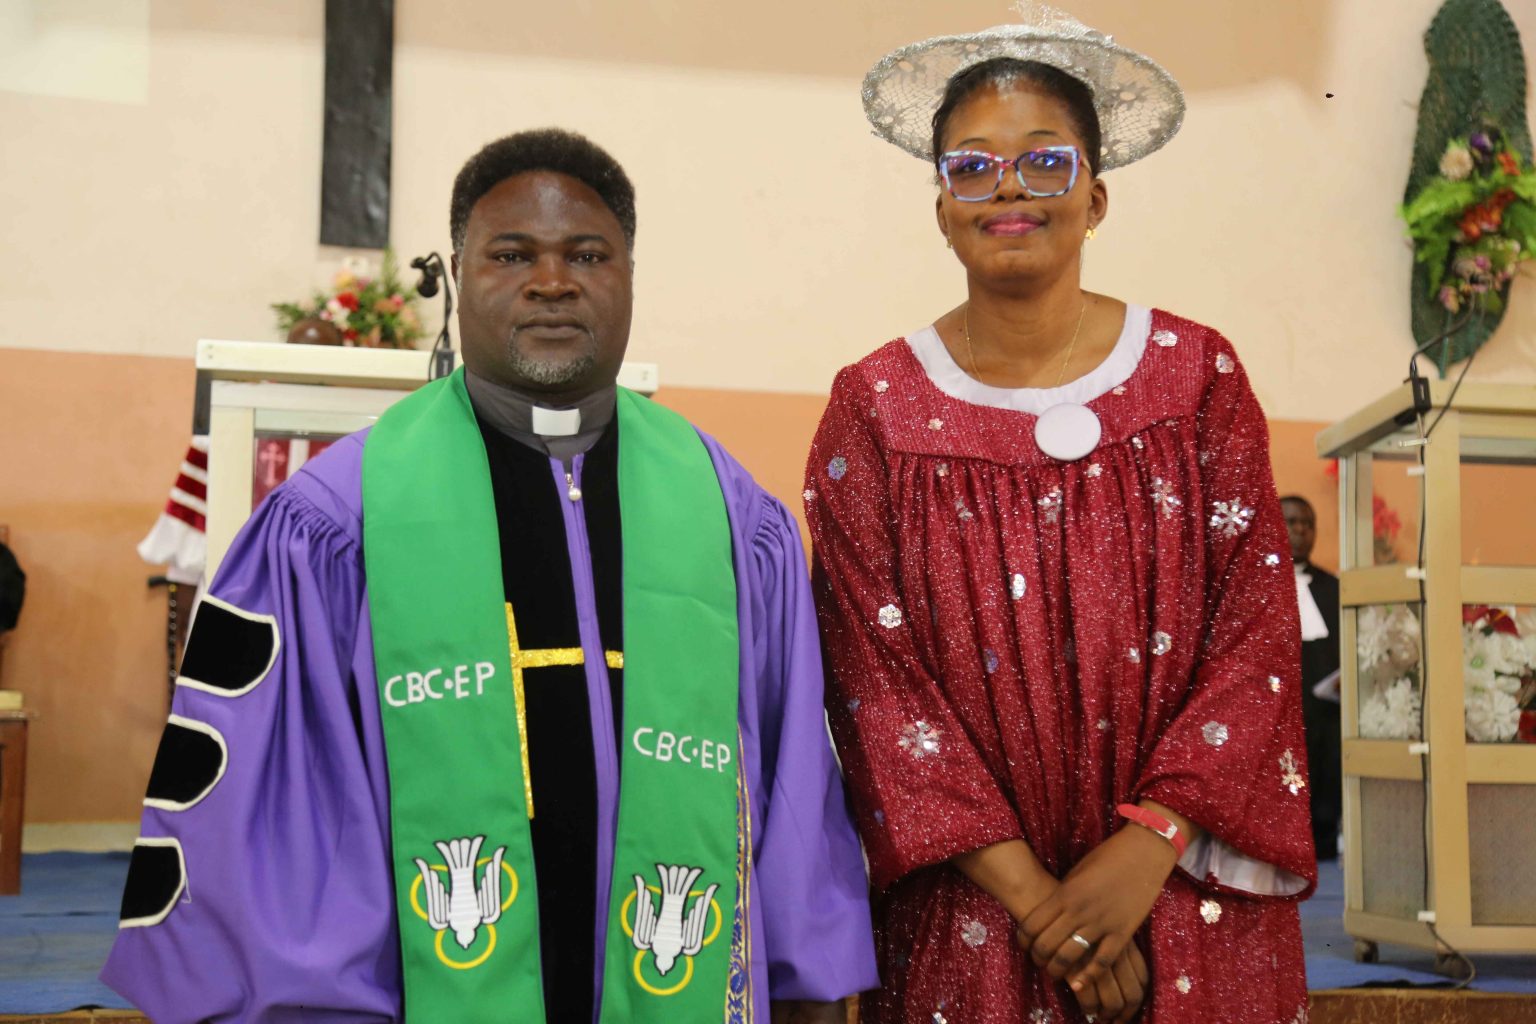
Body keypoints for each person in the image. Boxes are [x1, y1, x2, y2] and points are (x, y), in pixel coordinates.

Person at [103, 128, 876, 1024]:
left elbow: (793, 786)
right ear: (462, 274)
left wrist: (807, 981)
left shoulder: (732, 515)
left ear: (630, 275)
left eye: (588, 254)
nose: (553, 280)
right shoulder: (338, 519)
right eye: (512, 254)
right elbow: (278, 815)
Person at [805, 7, 1316, 1022]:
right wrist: (1044, 904)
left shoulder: (1196, 378)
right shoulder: (874, 408)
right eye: (972, 165)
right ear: (941, 204)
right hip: (976, 914)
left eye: (1045, 160)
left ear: (1097, 193)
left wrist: (1145, 851)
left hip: (1183, 894)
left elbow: (1255, 639)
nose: (1008, 187)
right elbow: (872, 679)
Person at [1282, 494, 1342, 861]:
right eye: (1291, 521)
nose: (1301, 530)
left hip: (1324, 716)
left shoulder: (1333, 588)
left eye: (1308, 523)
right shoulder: (1256, 584)